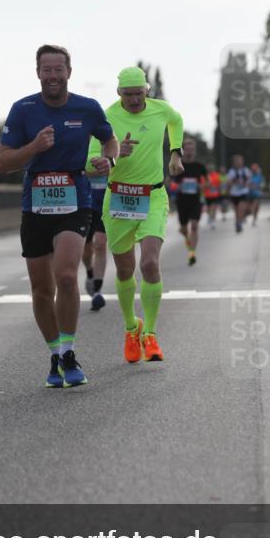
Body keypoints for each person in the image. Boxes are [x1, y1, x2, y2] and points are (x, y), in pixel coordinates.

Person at [0, 45, 117, 388]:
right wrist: (33, 148)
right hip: (35, 203)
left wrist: (110, 161)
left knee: (66, 276)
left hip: (74, 199)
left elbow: (110, 141)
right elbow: (3, 163)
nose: (53, 76)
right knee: (41, 288)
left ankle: (68, 352)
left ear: (69, 72)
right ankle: (53, 352)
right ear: (38, 73)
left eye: (58, 69)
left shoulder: (88, 108)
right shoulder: (23, 110)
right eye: (46, 70)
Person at [101, 66, 184, 364]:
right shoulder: (106, 118)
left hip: (153, 196)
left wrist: (176, 153)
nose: (134, 100)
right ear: (118, 93)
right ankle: (130, 328)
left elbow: (176, 121)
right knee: (124, 270)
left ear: (147, 90)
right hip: (119, 198)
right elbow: (88, 160)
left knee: (149, 263)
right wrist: (113, 154)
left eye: (139, 93)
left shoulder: (161, 110)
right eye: (128, 94)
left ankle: (150, 333)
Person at [83, 136, 110, 311]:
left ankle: (98, 291)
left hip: (105, 202)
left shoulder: (113, 146)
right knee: (85, 250)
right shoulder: (82, 145)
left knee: (100, 244)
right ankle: (90, 272)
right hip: (85, 202)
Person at [174, 137, 207, 265]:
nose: (189, 152)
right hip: (181, 202)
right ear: (183, 151)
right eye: (187, 149)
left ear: (195, 151)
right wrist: (177, 186)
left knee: (194, 226)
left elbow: (208, 183)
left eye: (192, 149)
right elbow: (168, 182)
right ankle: (185, 235)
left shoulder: (199, 167)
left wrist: (201, 186)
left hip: (195, 201)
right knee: (184, 229)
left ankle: (192, 253)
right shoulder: (178, 165)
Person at [226, 154, 252, 233]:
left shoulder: (246, 170)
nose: (239, 162)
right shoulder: (231, 171)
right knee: (236, 210)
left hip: (243, 192)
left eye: (240, 161)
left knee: (241, 208)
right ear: (234, 162)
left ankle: (239, 223)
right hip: (234, 193)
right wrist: (228, 192)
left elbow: (249, 181)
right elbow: (229, 183)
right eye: (237, 161)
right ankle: (237, 221)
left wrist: (245, 184)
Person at [202, 163, 222, 229]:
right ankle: (209, 217)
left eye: (211, 168)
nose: (210, 169)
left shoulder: (216, 175)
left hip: (215, 194)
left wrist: (219, 190)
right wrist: (206, 186)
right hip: (207, 195)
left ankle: (213, 221)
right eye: (208, 168)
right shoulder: (204, 176)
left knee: (213, 208)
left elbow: (219, 184)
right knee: (209, 209)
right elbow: (202, 185)